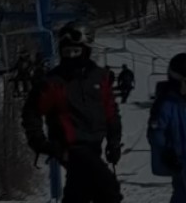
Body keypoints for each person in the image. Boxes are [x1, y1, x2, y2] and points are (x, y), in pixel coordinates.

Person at [21, 22, 123, 203]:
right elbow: (32, 111)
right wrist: (40, 142)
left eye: (76, 52)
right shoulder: (54, 82)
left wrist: (114, 141)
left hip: (94, 144)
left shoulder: (99, 77)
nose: (71, 57)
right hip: (70, 147)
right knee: (108, 188)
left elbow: (110, 111)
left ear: (86, 51)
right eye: (66, 52)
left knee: (81, 190)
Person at [148, 53, 186, 203]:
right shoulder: (166, 105)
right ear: (176, 81)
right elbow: (156, 134)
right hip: (182, 163)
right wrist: (167, 154)